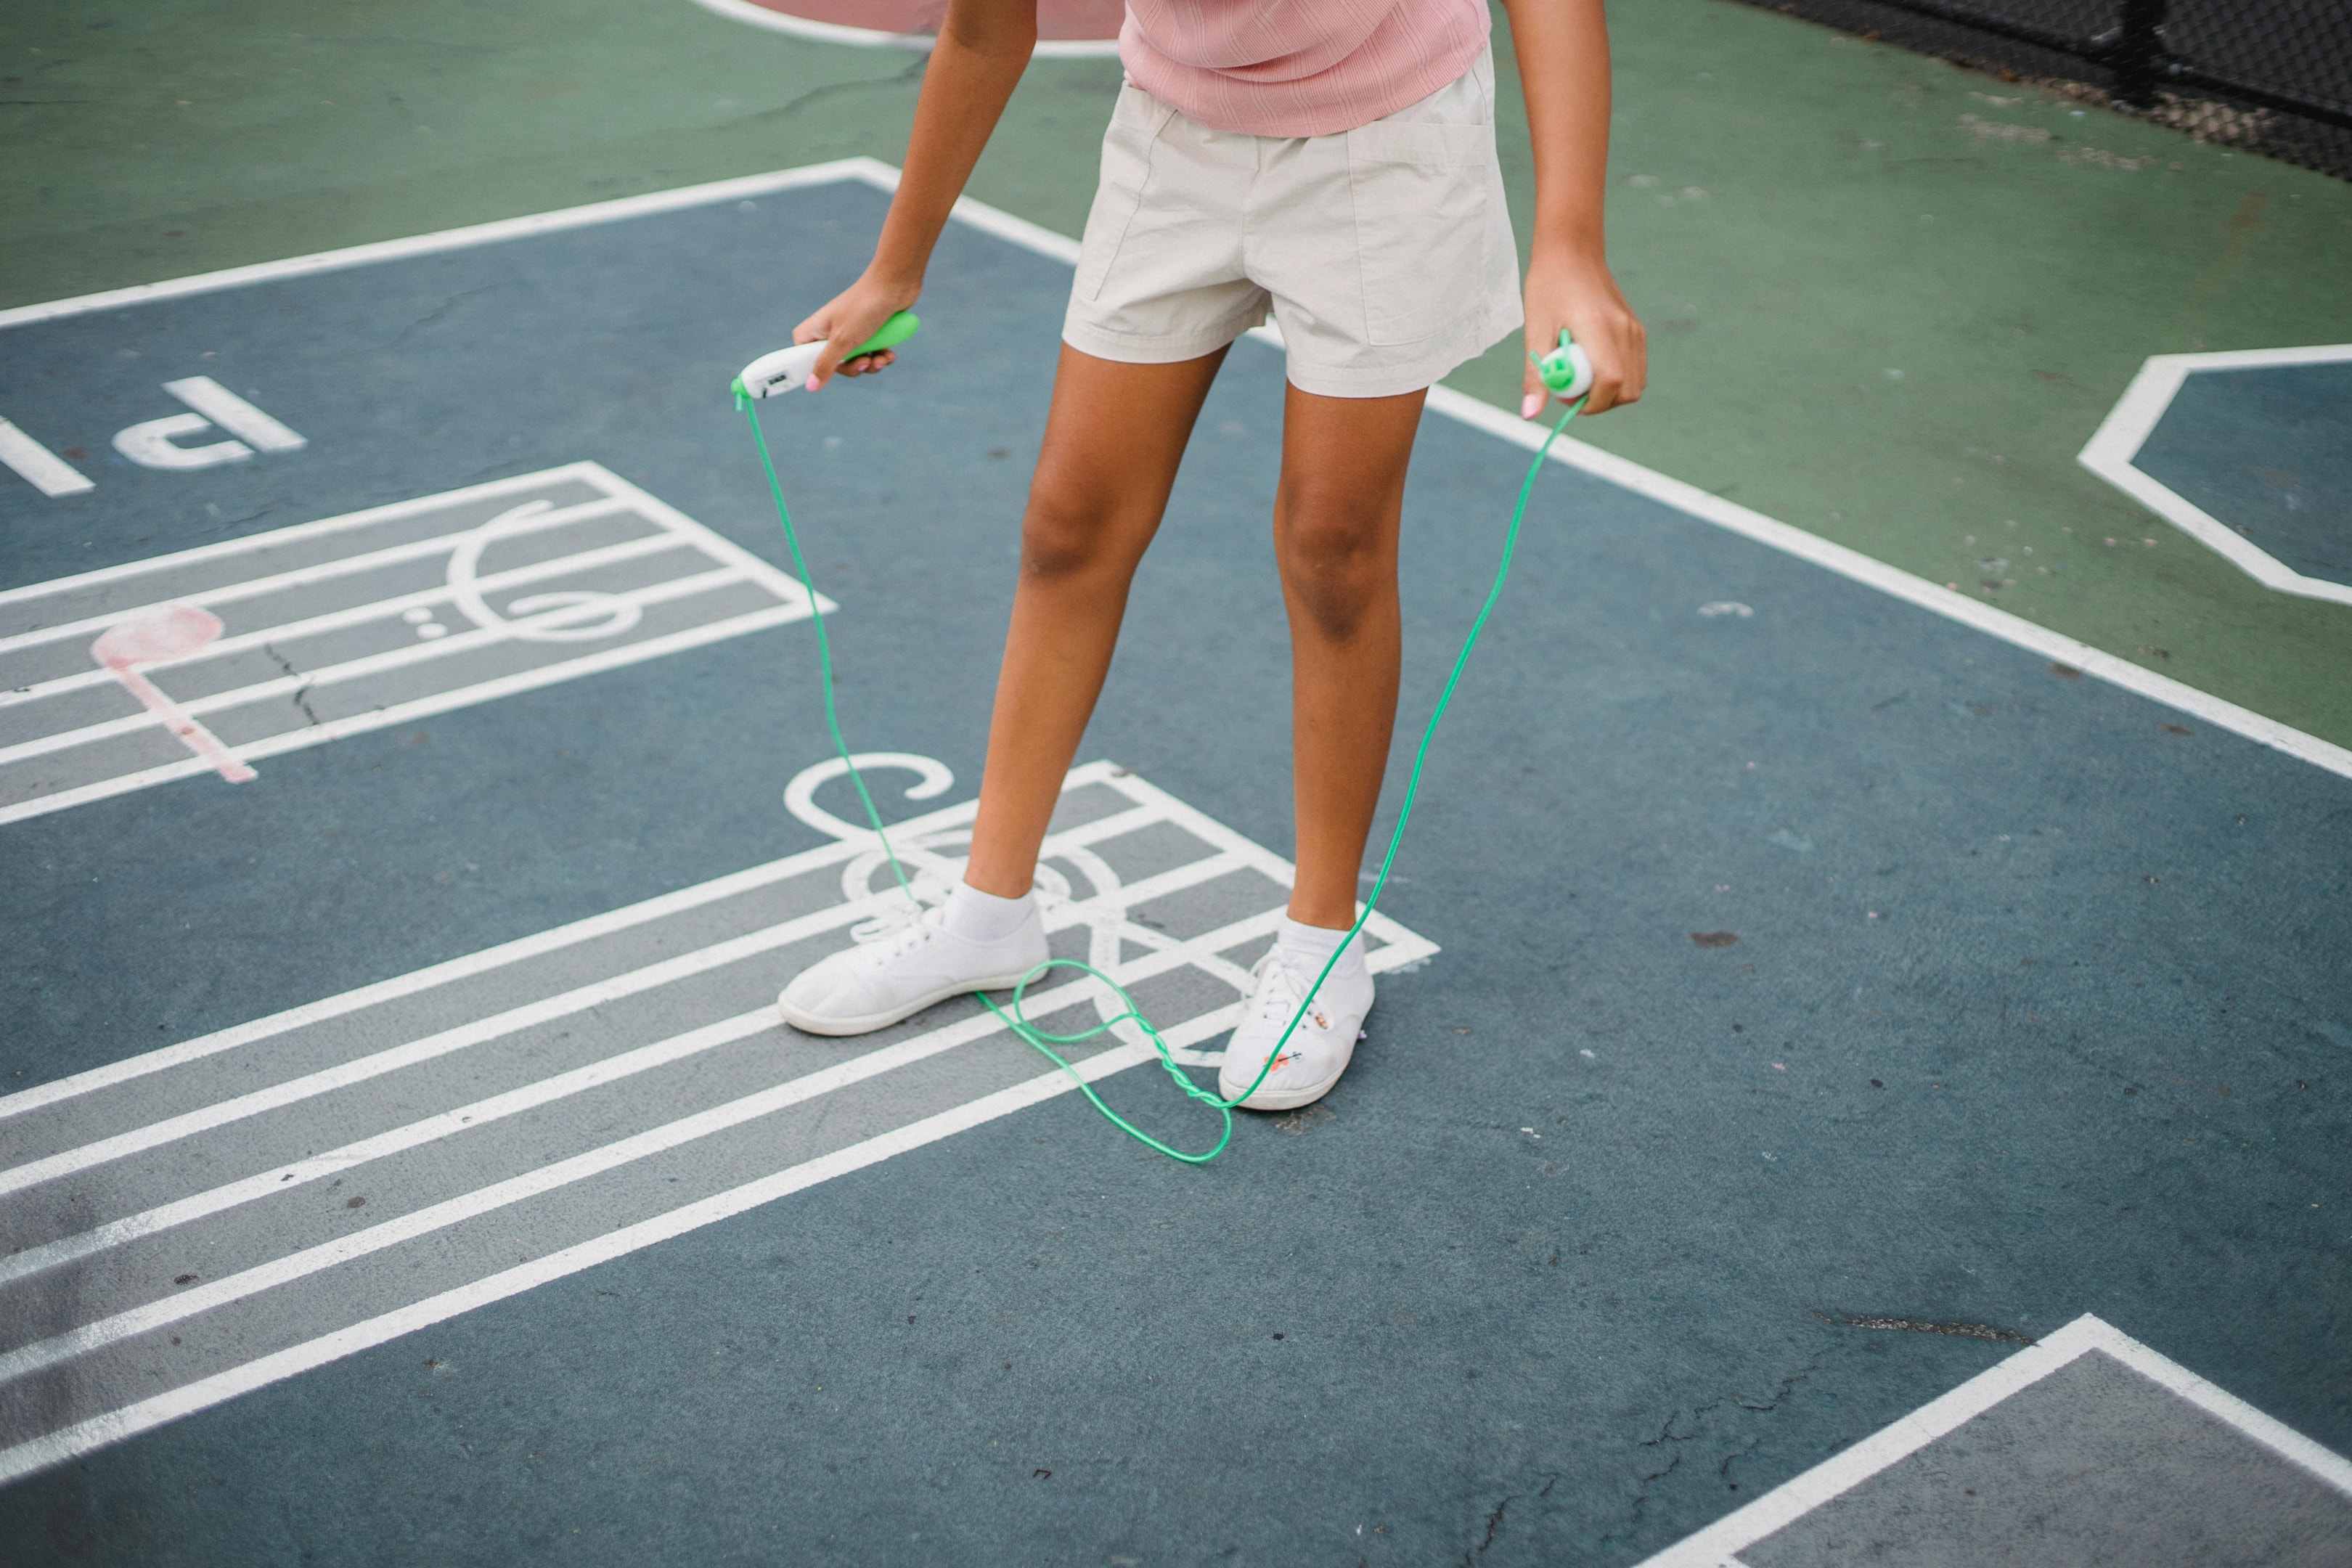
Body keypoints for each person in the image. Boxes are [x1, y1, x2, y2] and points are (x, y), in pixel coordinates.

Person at [776, 0, 1645, 1111]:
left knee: (1333, 546)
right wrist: (895, 270)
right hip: (1176, 134)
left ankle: (1324, 943)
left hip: (1387, 142)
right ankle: (990, 914)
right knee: (1069, 524)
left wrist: (1570, 243)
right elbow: (987, 31)